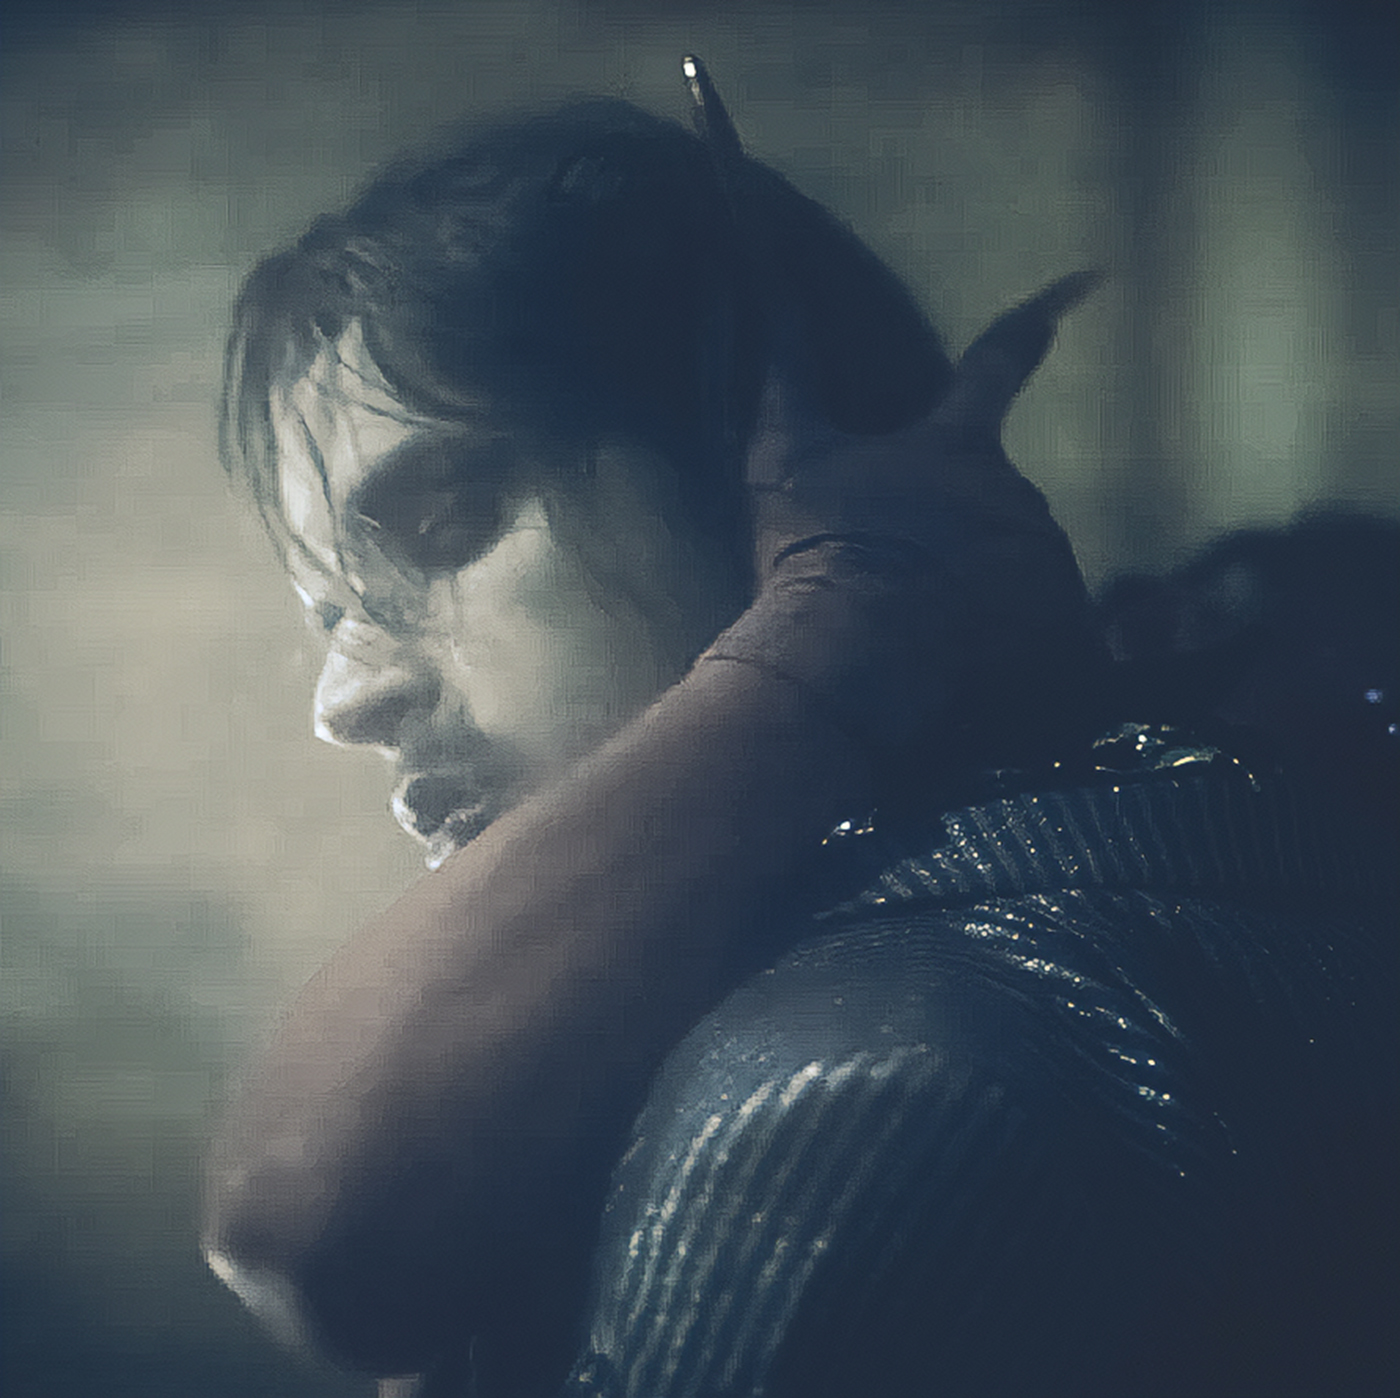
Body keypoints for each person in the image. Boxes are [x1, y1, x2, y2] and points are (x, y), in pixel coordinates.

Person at [203, 62, 1397, 1397]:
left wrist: (835, 612)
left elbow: (302, 1226)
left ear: (762, 455)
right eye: (331, 614)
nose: (345, 701)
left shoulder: (857, 1092)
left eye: (443, 526)